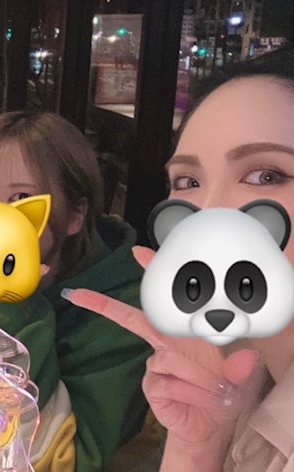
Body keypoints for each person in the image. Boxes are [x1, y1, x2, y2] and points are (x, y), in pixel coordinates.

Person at [64, 44, 294, 471]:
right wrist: (197, 443)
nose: (207, 217)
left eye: (267, 175)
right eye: (187, 181)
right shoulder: (239, 368)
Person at [0, 111, 159, 471]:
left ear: (75, 215)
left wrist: (8, 313)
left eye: (20, 197)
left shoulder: (126, 310)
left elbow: (64, 462)